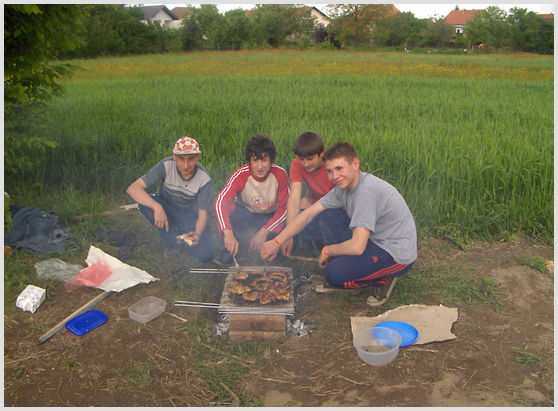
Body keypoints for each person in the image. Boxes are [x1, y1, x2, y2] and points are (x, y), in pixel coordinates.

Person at [260, 142, 417, 306]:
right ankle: (353, 264)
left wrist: (328, 250)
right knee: (326, 213)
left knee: (334, 274)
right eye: (330, 171)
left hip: (395, 252)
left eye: (339, 168)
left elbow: (357, 247)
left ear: (355, 164)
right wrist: (278, 240)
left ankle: (382, 279)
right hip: (373, 238)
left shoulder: (366, 192)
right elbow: (309, 214)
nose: (335, 176)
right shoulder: (342, 188)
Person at [126, 136, 213, 261]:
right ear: (174, 156)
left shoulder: (204, 179)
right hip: (166, 206)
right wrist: (157, 207)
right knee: (145, 204)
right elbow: (133, 189)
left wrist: (197, 233)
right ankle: (173, 241)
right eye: (181, 159)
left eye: (190, 159)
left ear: (197, 157)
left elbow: (203, 213)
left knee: (204, 255)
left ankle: (182, 232)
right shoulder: (166, 165)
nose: (186, 165)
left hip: (188, 214)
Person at [213, 135, 289, 265]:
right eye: (255, 160)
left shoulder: (280, 174)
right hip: (247, 214)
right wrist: (227, 231)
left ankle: (271, 249)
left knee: (288, 225)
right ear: (249, 161)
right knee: (229, 212)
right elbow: (220, 201)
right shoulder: (241, 174)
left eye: (264, 160)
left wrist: (265, 231)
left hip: (270, 216)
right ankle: (229, 247)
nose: (259, 166)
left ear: (271, 160)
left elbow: (285, 208)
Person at [281, 131, 334, 256]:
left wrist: (311, 206)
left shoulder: (333, 165)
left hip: (335, 211)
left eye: (310, 159)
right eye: (302, 159)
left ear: (322, 154)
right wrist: (287, 235)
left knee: (327, 221)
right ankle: (300, 244)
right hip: (316, 211)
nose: (305, 164)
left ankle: (331, 247)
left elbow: (341, 202)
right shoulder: (296, 164)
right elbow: (294, 199)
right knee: (292, 217)